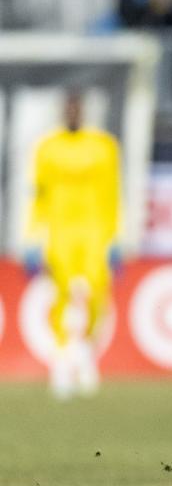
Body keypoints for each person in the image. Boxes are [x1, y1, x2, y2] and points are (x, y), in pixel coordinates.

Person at [24, 91, 122, 397]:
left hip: (95, 231)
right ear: (62, 112)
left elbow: (113, 193)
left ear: (83, 111)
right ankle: (63, 362)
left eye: (76, 108)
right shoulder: (47, 147)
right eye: (68, 108)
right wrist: (32, 237)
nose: (72, 113)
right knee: (62, 296)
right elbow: (38, 196)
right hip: (60, 231)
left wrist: (116, 237)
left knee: (96, 295)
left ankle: (85, 354)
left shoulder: (104, 146)